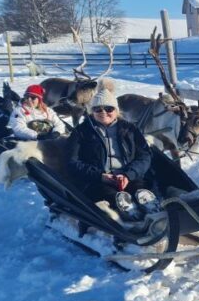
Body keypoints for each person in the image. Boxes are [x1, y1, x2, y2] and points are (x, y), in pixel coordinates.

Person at [67, 78, 159, 220]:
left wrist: (129, 175)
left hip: (129, 175)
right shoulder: (81, 131)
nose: (103, 112)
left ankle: (153, 212)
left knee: (140, 191)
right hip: (99, 179)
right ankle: (130, 219)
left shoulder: (130, 129)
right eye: (98, 109)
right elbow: (72, 161)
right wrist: (100, 176)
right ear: (92, 112)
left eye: (109, 109)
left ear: (116, 111)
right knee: (112, 196)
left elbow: (145, 156)